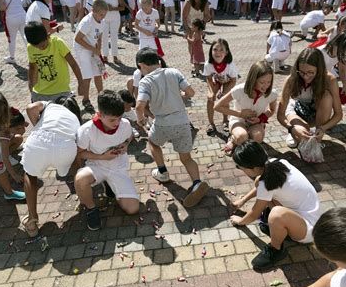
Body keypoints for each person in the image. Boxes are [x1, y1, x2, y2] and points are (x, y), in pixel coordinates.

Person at [230, 140, 321, 270]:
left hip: (309, 230)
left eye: (239, 167)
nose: (239, 169)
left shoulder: (266, 183)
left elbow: (254, 213)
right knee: (260, 185)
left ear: (253, 168)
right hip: (307, 216)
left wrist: (240, 222)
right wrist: (243, 200)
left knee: (276, 214)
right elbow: (261, 187)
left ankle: (276, 249)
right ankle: (280, 228)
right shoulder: (277, 163)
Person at [135, 48, 209, 208]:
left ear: (141, 65)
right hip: (182, 122)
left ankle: (162, 172)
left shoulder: (145, 81)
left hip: (162, 123)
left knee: (153, 143)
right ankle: (196, 182)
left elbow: (139, 105)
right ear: (158, 61)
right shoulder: (174, 72)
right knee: (186, 158)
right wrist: (180, 97)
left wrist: (141, 119)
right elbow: (191, 92)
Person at [75, 91, 139, 231]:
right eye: (112, 120)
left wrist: (126, 145)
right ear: (100, 114)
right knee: (80, 179)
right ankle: (91, 209)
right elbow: (80, 154)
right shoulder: (86, 130)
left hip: (118, 168)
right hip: (97, 166)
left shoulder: (125, 124)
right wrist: (102, 157)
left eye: (119, 118)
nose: (117, 123)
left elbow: (129, 137)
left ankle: (111, 185)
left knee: (133, 209)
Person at [21, 96, 82, 237]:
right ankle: (84, 196)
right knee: (75, 162)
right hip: (65, 149)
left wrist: (37, 125)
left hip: (39, 141)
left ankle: (32, 219)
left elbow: (30, 108)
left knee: (30, 175)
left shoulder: (49, 106)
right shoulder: (75, 120)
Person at [277, 48, 342, 149]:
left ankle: (317, 135)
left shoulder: (330, 80)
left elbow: (338, 114)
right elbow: (280, 114)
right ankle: (295, 132)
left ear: (319, 70)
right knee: (303, 139)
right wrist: (291, 128)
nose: (306, 77)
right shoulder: (291, 80)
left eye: (311, 72)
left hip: (317, 114)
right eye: (302, 72)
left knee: (327, 97)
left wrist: (323, 128)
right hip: (296, 110)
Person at [214, 61, 278, 156]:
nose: (266, 86)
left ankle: (246, 143)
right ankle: (233, 140)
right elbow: (217, 106)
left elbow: (272, 110)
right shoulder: (239, 90)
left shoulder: (271, 93)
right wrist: (240, 114)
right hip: (238, 120)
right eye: (262, 82)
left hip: (256, 123)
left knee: (258, 137)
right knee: (241, 137)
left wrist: (260, 119)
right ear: (253, 79)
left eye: (269, 82)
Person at [25, 21, 85, 104]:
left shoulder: (58, 43)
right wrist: (30, 84)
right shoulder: (30, 47)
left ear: (47, 36)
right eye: (36, 47)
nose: (40, 48)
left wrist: (81, 83)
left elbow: (73, 64)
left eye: (42, 45)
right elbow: (32, 67)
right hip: (40, 93)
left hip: (61, 91)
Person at [74, 0, 109, 113]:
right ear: (93, 11)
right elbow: (78, 39)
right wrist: (92, 49)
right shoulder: (87, 22)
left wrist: (98, 48)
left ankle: (101, 97)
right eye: (100, 15)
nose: (103, 17)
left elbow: (99, 36)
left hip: (92, 47)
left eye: (104, 15)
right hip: (82, 48)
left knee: (98, 72)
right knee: (87, 75)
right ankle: (86, 99)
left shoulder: (102, 22)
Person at [202, 38, 238, 136]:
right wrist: (210, 92)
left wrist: (224, 92)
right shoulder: (208, 64)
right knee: (210, 99)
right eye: (215, 49)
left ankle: (225, 120)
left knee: (224, 99)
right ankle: (211, 123)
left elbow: (234, 80)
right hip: (216, 80)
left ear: (226, 52)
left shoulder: (230, 65)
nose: (218, 52)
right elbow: (208, 78)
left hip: (228, 81)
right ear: (211, 51)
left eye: (221, 49)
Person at [317, 30, 346, 103]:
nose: (344, 52)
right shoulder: (320, 53)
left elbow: (342, 70)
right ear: (336, 43)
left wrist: (345, 85)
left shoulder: (340, 53)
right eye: (344, 49)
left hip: (324, 79)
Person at [0, 107, 29, 183]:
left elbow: (23, 124)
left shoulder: (10, 122)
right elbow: (5, 159)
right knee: (5, 156)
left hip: (3, 142)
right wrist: (15, 176)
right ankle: (4, 155)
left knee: (19, 138)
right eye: (18, 128)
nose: (22, 129)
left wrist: (22, 125)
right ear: (8, 126)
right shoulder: (3, 137)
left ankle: (7, 152)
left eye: (22, 126)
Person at [0, 0, 28, 65]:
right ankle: (32, 55)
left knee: (11, 39)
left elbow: (3, 7)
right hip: (22, 15)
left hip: (11, 18)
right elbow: (24, 3)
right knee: (26, 37)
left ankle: (12, 57)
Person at [98, 0, 126, 64]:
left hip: (115, 18)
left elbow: (123, 7)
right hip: (103, 18)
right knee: (104, 37)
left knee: (114, 37)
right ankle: (105, 56)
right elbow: (95, 3)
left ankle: (115, 56)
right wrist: (104, 7)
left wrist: (113, 8)